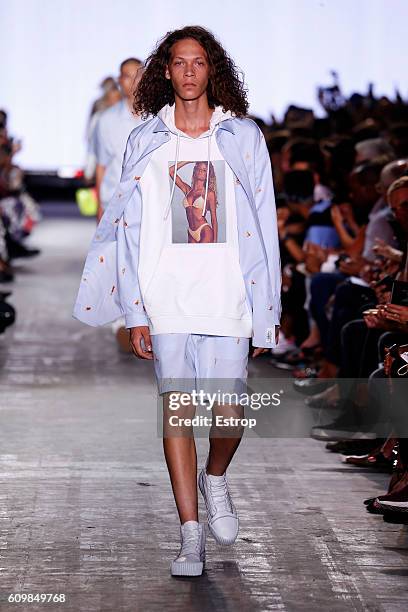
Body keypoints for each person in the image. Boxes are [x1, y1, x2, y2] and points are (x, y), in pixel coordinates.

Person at [73, 25, 281, 577]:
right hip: (167, 296)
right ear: (165, 71)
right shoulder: (146, 138)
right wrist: (135, 310)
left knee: (230, 412)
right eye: (179, 62)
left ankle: (217, 478)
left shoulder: (243, 137)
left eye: (199, 62)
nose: (189, 71)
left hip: (230, 292)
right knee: (178, 412)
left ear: (212, 69)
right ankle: (190, 535)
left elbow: (265, 225)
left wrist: (268, 313)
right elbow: (130, 229)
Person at [93, 58, 145, 222]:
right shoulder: (107, 120)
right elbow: (102, 165)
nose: (133, 81)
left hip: (148, 203)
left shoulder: (160, 117)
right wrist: (99, 208)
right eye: (127, 76)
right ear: (120, 80)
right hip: (114, 202)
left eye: (137, 75)